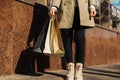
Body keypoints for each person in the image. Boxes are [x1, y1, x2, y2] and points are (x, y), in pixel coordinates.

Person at [49, 0, 96, 80]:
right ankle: (70, 68)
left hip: (81, 9)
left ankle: (79, 70)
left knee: (80, 38)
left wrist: (92, 5)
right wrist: (54, 6)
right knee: (67, 39)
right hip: (66, 8)